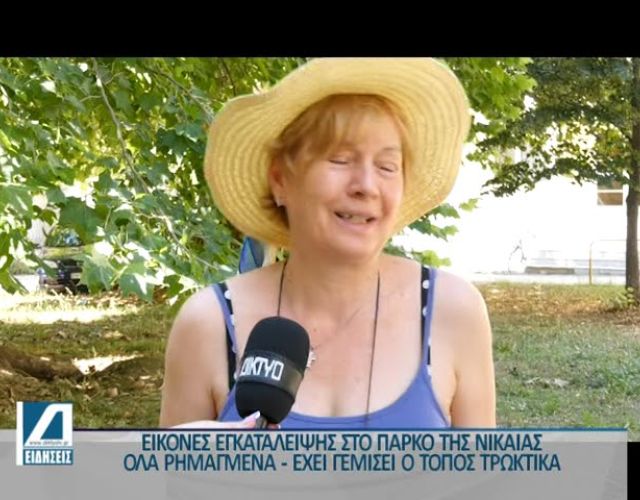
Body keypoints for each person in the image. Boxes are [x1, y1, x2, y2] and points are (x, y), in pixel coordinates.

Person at [159, 58, 495, 429]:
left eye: (387, 166)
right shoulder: (207, 324)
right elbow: (161, 470)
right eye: (340, 159)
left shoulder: (454, 311)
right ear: (280, 180)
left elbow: (484, 468)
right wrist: (185, 461)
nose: (366, 185)